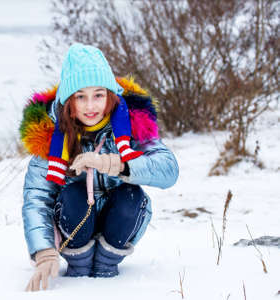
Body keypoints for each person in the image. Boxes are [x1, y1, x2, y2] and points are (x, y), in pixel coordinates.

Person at [19, 43, 179, 292]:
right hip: (74, 224)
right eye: (80, 96)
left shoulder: (133, 124)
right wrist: (43, 251)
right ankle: (79, 269)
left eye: (98, 95)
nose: (90, 106)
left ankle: (107, 268)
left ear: (110, 95)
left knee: (131, 196)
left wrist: (115, 164)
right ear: (68, 101)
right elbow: (37, 198)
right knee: (73, 195)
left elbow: (168, 170)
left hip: (120, 224)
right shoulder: (51, 136)